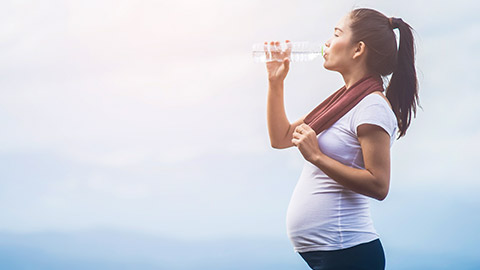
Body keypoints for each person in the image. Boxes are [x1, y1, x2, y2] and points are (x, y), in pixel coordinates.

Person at [264, 8, 420, 270]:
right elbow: (281, 138)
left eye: (336, 34)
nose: (327, 42)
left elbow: (379, 185)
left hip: (348, 253)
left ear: (358, 49)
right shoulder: (342, 102)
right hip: (334, 253)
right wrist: (275, 82)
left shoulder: (371, 106)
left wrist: (316, 156)